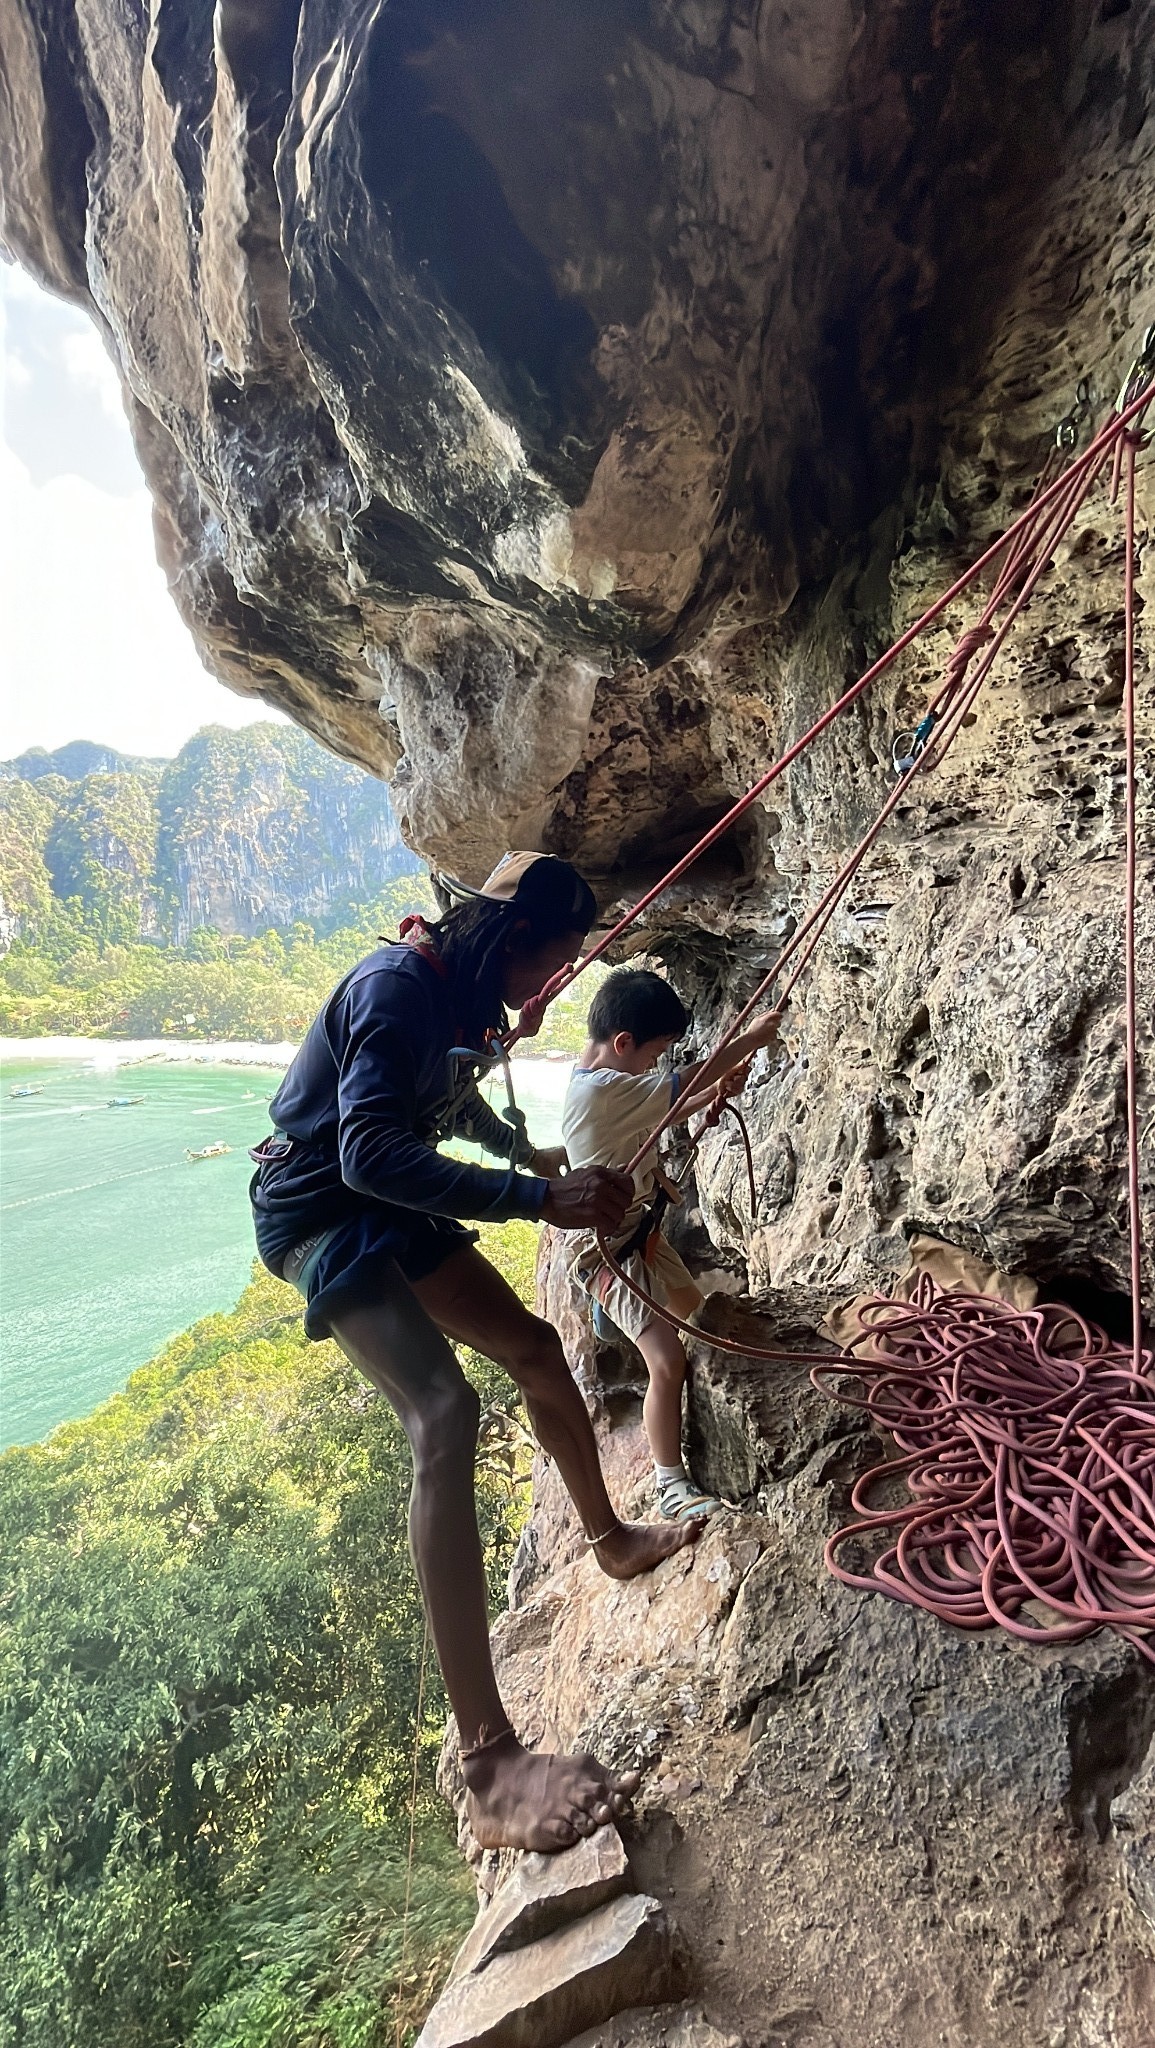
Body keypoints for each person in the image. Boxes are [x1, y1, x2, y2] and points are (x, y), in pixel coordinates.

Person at [249, 854, 704, 1855]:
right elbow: (367, 1149)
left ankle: (612, 1538)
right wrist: (538, 1197)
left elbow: (452, 1098)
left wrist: (523, 1154)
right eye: (553, 962)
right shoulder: (395, 989)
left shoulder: (464, 995)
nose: (558, 984)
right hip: (321, 1211)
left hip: (385, 1201)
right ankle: (488, 1762)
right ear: (508, 941)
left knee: (538, 1350)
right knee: (443, 1411)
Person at [562, 967, 782, 1522]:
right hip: (609, 1254)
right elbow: (674, 1086)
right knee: (666, 1360)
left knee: (706, 1322)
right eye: (652, 1053)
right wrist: (752, 1038)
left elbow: (666, 1101)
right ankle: (669, 1484)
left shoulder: (601, 1082)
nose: (655, 1064)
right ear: (623, 1044)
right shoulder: (601, 1093)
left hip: (643, 1239)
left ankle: (708, 1430)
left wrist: (713, 1094)